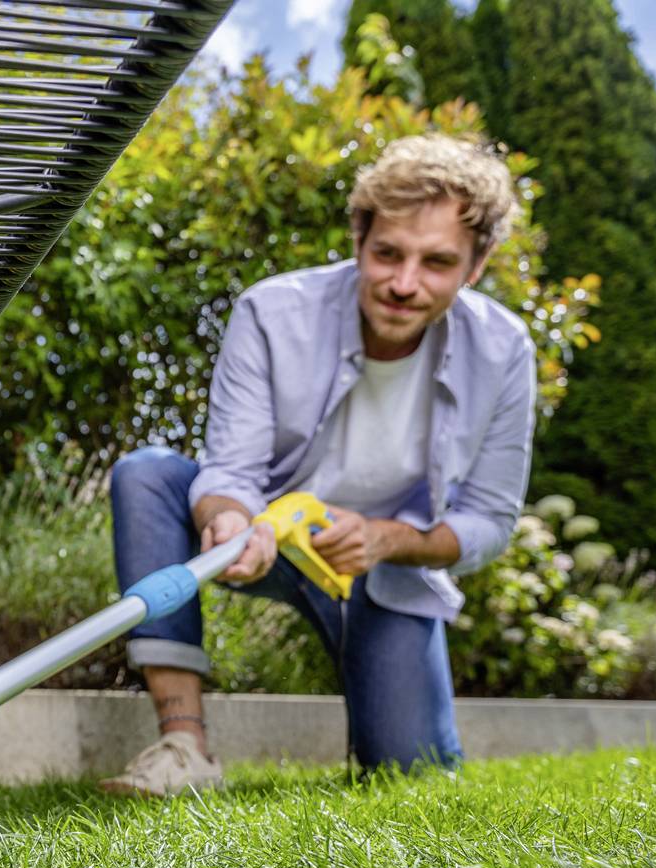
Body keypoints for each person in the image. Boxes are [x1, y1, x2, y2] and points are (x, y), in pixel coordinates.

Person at [99, 134, 535, 797]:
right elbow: (231, 468)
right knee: (149, 475)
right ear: (359, 239)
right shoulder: (273, 313)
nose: (403, 283)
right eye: (387, 253)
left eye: (437, 263)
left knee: (410, 773)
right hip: (267, 541)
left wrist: (388, 538)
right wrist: (230, 520)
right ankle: (184, 748)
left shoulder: (505, 351)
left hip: (387, 569)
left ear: (476, 266)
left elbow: (490, 521)